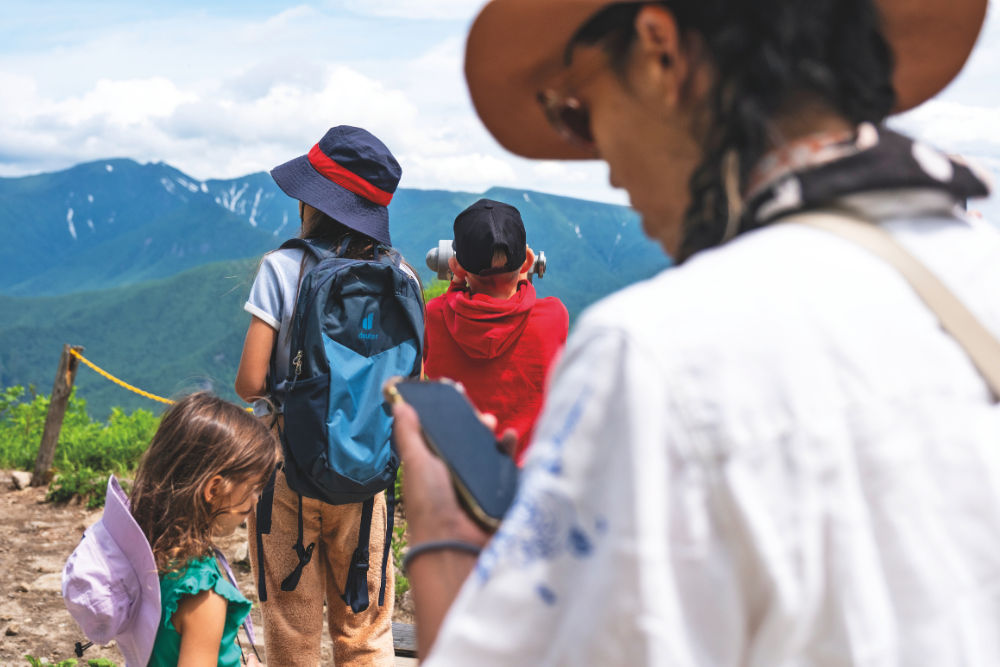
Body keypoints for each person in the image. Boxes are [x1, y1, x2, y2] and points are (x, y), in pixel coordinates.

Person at [393, 0, 1000, 664]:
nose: (607, 168)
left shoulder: (653, 355)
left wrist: (443, 534)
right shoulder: (979, 279)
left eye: (582, 112)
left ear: (661, 54)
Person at [235, 125, 418, 666]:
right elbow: (411, 386)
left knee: (292, 629)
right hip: (367, 482)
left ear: (312, 201)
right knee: (365, 631)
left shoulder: (282, 268)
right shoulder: (401, 275)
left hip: (286, 472)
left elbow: (248, 383)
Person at [63, 392, 279, 667]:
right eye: (253, 489)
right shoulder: (203, 595)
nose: (256, 500)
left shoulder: (147, 556)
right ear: (214, 489)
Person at [424, 198, 568, 464]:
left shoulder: (434, 316)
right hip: (526, 483)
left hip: (457, 480)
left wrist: (456, 285)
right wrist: (522, 278)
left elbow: (451, 309)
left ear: (455, 267)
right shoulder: (553, 317)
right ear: (527, 262)